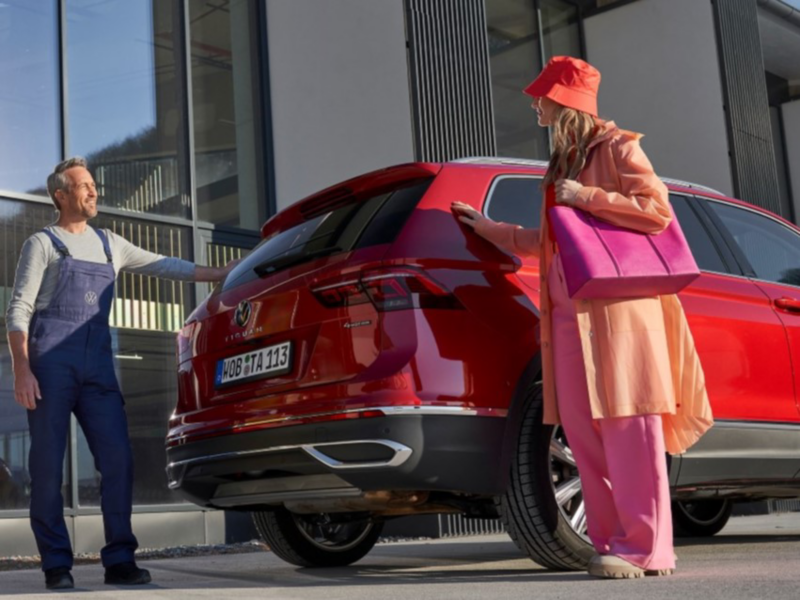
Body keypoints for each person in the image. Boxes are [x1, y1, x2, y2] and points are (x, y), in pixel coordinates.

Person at [452, 56, 713, 579]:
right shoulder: (560, 166)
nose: (533, 103)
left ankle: (648, 550)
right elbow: (547, 244)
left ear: (565, 100)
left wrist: (587, 197)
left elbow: (657, 210)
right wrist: (490, 229)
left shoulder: (618, 147)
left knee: (629, 429)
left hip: (618, 316)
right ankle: (612, 544)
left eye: (541, 95)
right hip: (567, 321)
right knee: (581, 431)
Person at [6, 157, 240, 590]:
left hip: (98, 368)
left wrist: (219, 274)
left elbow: (166, 265)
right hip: (50, 365)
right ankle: (56, 564)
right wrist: (22, 370)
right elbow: (18, 309)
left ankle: (119, 560)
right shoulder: (41, 244)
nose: (93, 192)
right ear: (60, 195)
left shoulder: (111, 243)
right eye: (83, 186)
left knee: (118, 461)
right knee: (45, 467)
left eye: (94, 185)